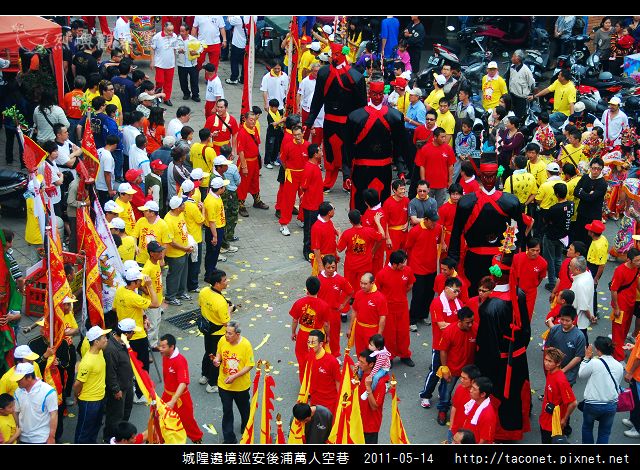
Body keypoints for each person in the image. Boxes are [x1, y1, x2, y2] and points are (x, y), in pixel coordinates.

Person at [449, 154, 525, 295]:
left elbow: (518, 233)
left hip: (501, 260)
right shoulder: (466, 203)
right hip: (475, 260)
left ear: (497, 175)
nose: (489, 180)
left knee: (498, 296)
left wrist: (515, 258)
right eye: (485, 176)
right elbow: (456, 233)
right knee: (475, 295)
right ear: (480, 176)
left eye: (492, 176)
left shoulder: (511, 202)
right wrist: (453, 260)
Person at [475, 250, 531, 441]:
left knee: (500, 397)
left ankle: (500, 432)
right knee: (516, 393)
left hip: (498, 362)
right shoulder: (519, 293)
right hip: (518, 356)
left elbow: (487, 344)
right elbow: (526, 330)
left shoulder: (489, 307)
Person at [306, 42, 367, 191]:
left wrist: (361, 125)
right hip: (329, 119)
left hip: (347, 122)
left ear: (344, 55)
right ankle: (328, 180)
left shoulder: (355, 77)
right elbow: (318, 98)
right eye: (332, 54)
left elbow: (362, 105)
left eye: (337, 54)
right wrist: (310, 119)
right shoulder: (323, 73)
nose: (334, 57)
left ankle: (348, 179)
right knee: (329, 150)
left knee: (347, 151)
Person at [345, 80, 407, 213]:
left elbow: (399, 145)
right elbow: (347, 146)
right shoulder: (355, 117)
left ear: (384, 95)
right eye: (374, 94)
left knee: (383, 199)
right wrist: (346, 172)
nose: (377, 97)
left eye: (380, 94)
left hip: (384, 168)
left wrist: (401, 169)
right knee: (360, 200)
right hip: (362, 168)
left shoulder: (396, 117)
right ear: (369, 93)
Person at [113, 267, 160, 402]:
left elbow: (115, 308)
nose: (141, 282)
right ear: (134, 282)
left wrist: (142, 316)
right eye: (139, 280)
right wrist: (150, 286)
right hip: (137, 336)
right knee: (142, 365)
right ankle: (140, 394)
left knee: (130, 364)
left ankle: (134, 387)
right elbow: (156, 303)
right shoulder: (133, 296)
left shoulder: (120, 290)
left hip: (124, 333)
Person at [419, 277, 464, 409]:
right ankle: (426, 395)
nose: (457, 294)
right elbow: (442, 325)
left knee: (448, 371)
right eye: (455, 291)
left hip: (453, 345)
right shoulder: (437, 303)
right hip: (439, 345)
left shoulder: (459, 303)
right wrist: (457, 325)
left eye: (459, 291)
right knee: (435, 372)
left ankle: (443, 393)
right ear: (446, 289)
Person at [213, 321, 255, 444]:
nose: (226, 335)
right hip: (224, 384)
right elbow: (219, 353)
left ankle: (246, 427)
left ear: (237, 334)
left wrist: (235, 376)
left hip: (241, 386)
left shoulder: (246, 345)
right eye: (226, 332)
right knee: (227, 410)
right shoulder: (222, 340)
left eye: (230, 333)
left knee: (244, 409)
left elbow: (250, 365)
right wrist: (217, 360)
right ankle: (229, 438)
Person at [156, 333, 202, 443]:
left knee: (187, 421)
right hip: (167, 394)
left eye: (163, 347)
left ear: (171, 347)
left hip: (181, 398)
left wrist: (173, 400)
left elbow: (183, 382)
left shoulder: (180, 360)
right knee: (160, 417)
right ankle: (161, 439)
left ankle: (197, 439)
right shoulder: (165, 356)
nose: (160, 349)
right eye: (160, 346)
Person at [579, 336, 623, 444]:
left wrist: (586, 358)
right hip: (611, 404)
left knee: (587, 428)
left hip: (592, 404)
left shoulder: (595, 362)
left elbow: (581, 374)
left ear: (598, 350)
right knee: (604, 433)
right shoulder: (619, 366)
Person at [375, 250, 415, 365]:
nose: (404, 265)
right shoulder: (382, 274)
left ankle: (404, 355)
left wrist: (400, 295)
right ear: (394, 264)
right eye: (402, 263)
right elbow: (377, 291)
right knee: (389, 334)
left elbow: (410, 285)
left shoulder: (407, 270)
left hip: (402, 306)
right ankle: (389, 356)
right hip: (388, 308)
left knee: (403, 333)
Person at [405, 206, 441, 331]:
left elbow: (438, 242)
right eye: (432, 221)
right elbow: (408, 247)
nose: (434, 223)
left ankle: (423, 315)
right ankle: (412, 319)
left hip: (432, 267)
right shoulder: (415, 231)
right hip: (417, 268)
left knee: (429, 293)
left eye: (436, 221)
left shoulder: (438, 228)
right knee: (418, 294)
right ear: (425, 219)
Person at [103, 319, 137, 443]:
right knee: (115, 417)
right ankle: (109, 439)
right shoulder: (111, 349)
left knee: (126, 411)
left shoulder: (123, 342)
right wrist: (116, 390)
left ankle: (122, 437)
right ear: (126, 333)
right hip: (119, 390)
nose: (134, 334)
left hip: (127, 385)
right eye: (133, 332)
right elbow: (110, 373)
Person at [73, 325, 109, 444]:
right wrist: (76, 396)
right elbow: (77, 384)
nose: (106, 339)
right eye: (103, 337)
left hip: (100, 398)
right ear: (96, 342)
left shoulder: (100, 352)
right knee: (84, 431)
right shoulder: (87, 362)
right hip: (89, 402)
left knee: (95, 427)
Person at [290, 277, 331, 381]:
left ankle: (304, 383)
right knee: (317, 358)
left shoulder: (299, 303)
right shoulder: (324, 305)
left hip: (303, 335)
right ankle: (315, 381)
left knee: (302, 359)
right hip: (317, 335)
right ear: (319, 289)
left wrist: (293, 332)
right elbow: (326, 324)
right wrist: (327, 336)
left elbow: (295, 320)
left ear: (307, 288)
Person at [337, 210, 385, 295]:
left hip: (351, 264)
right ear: (361, 218)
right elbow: (382, 236)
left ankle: (351, 298)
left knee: (349, 285)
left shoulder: (347, 233)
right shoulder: (369, 231)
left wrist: (340, 234)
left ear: (350, 221)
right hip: (365, 264)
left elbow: (339, 249)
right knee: (363, 284)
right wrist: (378, 222)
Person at [12, 363, 57, 444]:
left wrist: (51, 437)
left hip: (41, 439)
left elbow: (54, 414)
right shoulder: (17, 392)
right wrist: (18, 433)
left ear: (29, 377)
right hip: (22, 438)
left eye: (19, 379)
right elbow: (16, 412)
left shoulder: (48, 391)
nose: (16, 381)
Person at [540, 347, 577, 443]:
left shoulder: (561, 380)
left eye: (550, 361)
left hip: (554, 422)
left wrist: (564, 419)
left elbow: (573, 403)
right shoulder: (550, 371)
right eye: (545, 360)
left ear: (558, 363)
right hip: (545, 417)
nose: (546, 363)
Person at [546, 305, 586, 390]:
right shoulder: (554, 329)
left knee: (564, 395)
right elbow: (548, 348)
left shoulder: (579, 336)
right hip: (553, 370)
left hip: (568, 375)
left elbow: (578, 357)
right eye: (562, 319)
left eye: (567, 320)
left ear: (573, 320)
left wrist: (563, 370)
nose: (564, 322)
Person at [318, 255, 354, 351]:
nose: (331, 270)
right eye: (328, 267)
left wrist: (343, 304)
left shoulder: (340, 279)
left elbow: (350, 292)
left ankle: (335, 354)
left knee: (334, 336)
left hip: (334, 313)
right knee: (320, 335)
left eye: (333, 267)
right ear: (324, 266)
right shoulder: (318, 279)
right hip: (321, 313)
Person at [610, 248, 640, 361]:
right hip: (621, 306)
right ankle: (618, 357)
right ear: (629, 260)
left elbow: (636, 282)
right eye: (636, 260)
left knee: (625, 328)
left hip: (630, 303)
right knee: (618, 331)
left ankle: (619, 349)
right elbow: (614, 290)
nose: (639, 262)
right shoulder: (620, 271)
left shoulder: (636, 269)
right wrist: (616, 308)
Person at [542, 183, 574, 289]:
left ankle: (552, 283)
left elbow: (546, 220)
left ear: (556, 194)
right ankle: (561, 279)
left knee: (550, 260)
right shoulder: (571, 204)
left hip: (551, 236)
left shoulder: (554, 208)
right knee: (558, 259)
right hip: (563, 236)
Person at [348, 273, 388, 356]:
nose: (362, 286)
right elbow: (354, 311)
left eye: (365, 284)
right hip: (359, 328)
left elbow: (382, 318)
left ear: (372, 283)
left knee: (372, 354)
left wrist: (379, 335)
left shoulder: (380, 298)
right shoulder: (358, 294)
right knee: (359, 352)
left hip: (372, 330)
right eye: (361, 283)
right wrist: (350, 328)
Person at [163, 196, 193, 305]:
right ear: (177, 208)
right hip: (175, 254)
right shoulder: (168, 220)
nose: (185, 205)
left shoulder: (180, 214)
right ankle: (170, 296)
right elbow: (171, 242)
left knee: (183, 273)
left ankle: (181, 292)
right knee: (174, 275)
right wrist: (184, 248)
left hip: (184, 250)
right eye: (182, 204)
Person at [357, 349, 390, 444]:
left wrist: (368, 388)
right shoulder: (362, 373)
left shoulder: (380, 383)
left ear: (371, 364)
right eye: (359, 361)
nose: (359, 364)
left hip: (370, 427)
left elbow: (374, 406)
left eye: (362, 362)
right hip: (358, 421)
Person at [573, 158, 608, 245]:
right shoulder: (585, 177)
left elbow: (591, 198)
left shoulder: (602, 183)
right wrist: (587, 194)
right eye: (593, 168)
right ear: (590, 167)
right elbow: (575, 192)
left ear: (601, 169)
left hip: (593, 215)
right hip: (581, 212)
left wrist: (582, 192)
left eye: (598, 169)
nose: (595, 171)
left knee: (589, 240)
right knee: (578, 235)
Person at [512, 238, 547, 321]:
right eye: (533, 250)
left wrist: (533, 285)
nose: (535, 253)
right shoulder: (517, 258)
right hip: (516, 291)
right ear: (527, 248)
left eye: (538, 250)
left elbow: (540, 278)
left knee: (527, 316)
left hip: (530, 293)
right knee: (513, 315)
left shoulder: (543, 263)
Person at [307, 330, 340, 415]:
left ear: (321, 344)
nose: (310, 345)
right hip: (314, 401)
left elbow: (338, 382)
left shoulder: (331, 361)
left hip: (329, 403)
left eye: (313, 342)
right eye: (308, 342)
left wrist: (340, 403)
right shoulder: (309, 358)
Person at [448, 364, 481, 443]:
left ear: (473, 381)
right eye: (461, 377)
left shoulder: (478, 398)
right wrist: (451, 426)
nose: (461, 380)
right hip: (454, 432)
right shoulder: (459, 388)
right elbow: (454, 407)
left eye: (464, 378)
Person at [461, 376, 497, 444]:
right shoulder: (474, 401)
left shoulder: (488, 415)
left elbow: (484, 440)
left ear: (483, 394)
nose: (470, 390)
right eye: (472, 387)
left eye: (474, 389)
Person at [150, 22, 178, 106]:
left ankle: (167, 98)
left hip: (170, 64)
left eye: (172, 30)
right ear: (164, 28)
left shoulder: (174, 36)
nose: (171, 32)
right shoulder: (157, 37)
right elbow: (152, 48)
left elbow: (174, 48)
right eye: (169, 30)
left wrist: (175, 59)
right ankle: (157, 97)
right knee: (159, 82)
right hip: (160, 64)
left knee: (169, 83)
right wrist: (152, 61)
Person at [310, 202, 339, 275]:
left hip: (332, 257)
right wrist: (320, 265)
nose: (334, 211)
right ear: (329, 213)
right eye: (333, 209)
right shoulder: (317, 227)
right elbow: (316, 248)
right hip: (325, 260)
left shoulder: (329, 221)